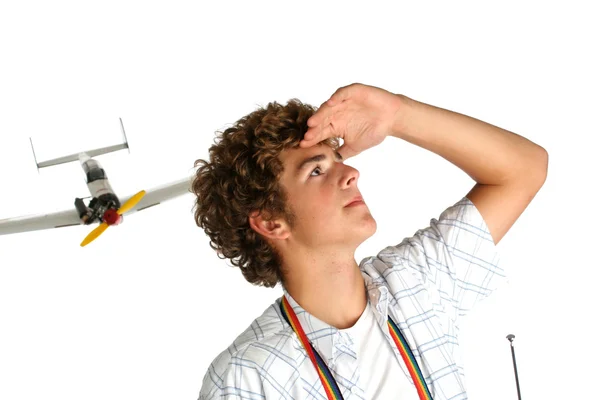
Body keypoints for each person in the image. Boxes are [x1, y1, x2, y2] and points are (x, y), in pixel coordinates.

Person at [193, 83, 548, 399]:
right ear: (271, 223)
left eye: (337, 161)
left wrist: (397, 114)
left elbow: (524, 169)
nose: (351, 173)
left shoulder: (414, 281)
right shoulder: (246, 378)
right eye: (317, 171)